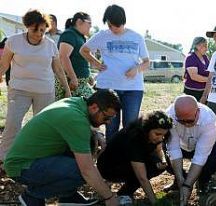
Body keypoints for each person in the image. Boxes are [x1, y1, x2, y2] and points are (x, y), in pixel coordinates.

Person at [4, 90, 121, 206]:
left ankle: (68, 197)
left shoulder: (77, 103)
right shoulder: (76, 120)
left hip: (32, 159)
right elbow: (87, 170)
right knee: (82, 172)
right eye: (106, 117)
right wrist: (109, 197)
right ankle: (32, 196)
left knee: (87, 144)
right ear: (94, 107)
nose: (109, 122)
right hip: (22, 167)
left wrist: (97, 134)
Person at [0, 9, 71, 164]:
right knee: (12, 123)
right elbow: (4, 64)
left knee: (42, 126)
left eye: (43, 30)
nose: (39, 33)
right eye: (35, 29)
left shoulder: (50, 45)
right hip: (19, 89)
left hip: (45, 91)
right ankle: (4, 158)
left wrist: (67, 89)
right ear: (27, 26)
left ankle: (38, 157)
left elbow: (58, 69)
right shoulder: (13, 41)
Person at [80, 4, 150, 138]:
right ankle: (111, 156)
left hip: (133, 88)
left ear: (123, 22)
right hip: (108, 87)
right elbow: (84, 50)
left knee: (130, 127)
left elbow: (147, 62)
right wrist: (95, 63)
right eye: (110, 25)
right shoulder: (102, 35)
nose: (113, 29)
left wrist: (137, 68)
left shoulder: (137, 37)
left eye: (116, 26)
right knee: (111, 126)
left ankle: (128, 157)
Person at [97, 111, 172, 205]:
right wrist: (155, 202)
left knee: (161, 162)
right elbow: (142, 178)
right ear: (147, 129)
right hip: (109, 167)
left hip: (128, 161)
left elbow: (159, 149)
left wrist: (163, 160)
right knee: (147, 169)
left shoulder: (152, 136)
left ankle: (126, 191)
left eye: (163, 135)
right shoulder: (134, 139)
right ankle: (124, 194)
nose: (161, 138)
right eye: (157, 134)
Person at [164, 95, 216, 206]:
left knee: (213, 158)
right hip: (183, 146)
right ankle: (178, 181)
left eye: (190, 121)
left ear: (198, 111)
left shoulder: (209, 120)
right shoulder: (170, 116)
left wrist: (187, 186)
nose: (186, 124)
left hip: (206, 147)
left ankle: (203, 182)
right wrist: (180, 178)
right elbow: (174, 149)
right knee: (165, 152)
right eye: (181, 121)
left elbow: (200, 157)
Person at [55, 12, 94, 100]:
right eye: (89, 23)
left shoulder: (81, 37)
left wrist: (89, 76)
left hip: (80, 83)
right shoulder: (70, 34)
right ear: (79, 21)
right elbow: (63, 56)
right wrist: (73, 78)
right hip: (69, 84)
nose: (91, 26)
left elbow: (81, 60)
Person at [183, 37, 210, 101]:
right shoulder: (191, 58)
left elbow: (210, 71)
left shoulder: (205, 57)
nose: (207, 48)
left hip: (204, 92)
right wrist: (210, 80)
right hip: (192, 92)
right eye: (205, 46)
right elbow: (194, 76)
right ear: (197, 46)